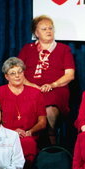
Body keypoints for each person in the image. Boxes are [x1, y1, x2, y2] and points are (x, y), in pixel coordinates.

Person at [18, 15, 75, 145]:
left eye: (51, 28)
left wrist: (52, 84)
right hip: (29, 88)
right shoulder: (27, 49)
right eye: (44, 29)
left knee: (50, 104)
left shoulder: (63, 49)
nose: (49, 31)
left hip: (56, 89)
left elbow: (70, 75)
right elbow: (18, 72)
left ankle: (52, 140)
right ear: (36, 33)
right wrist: (32, 85)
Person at [0, 57, 46, 162]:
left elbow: (42, 122)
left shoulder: (36, 93)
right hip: (5, 136)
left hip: (27, 136)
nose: (17, 75)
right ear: (6, 76)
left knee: (27, 143)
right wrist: (12, 133)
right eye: (12, 73)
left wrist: (30, 131)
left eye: (20, 72)